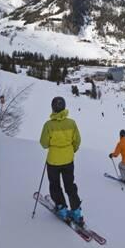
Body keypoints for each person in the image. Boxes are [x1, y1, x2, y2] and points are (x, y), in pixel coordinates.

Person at [40, 96, 84, 224]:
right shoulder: (71, 123)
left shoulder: (48, 125)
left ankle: (62, 208)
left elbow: (44, 143)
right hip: (68, 160)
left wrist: (52, 145)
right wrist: (71, 150)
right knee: (70, 185)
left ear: (53, 108)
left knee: (55, 185)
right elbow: (77, 141)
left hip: (53, 161)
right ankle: (76, 211)